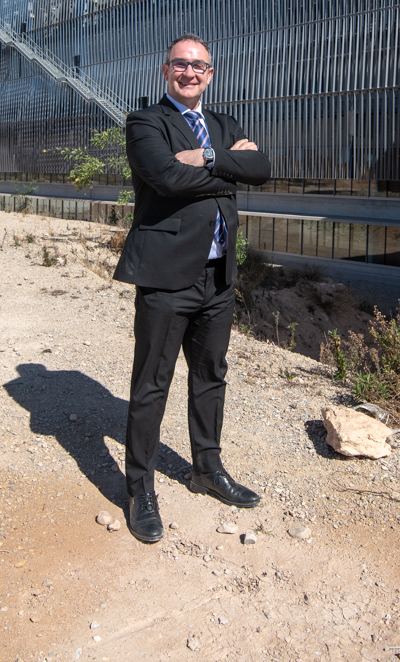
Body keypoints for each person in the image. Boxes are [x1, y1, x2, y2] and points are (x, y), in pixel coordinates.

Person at [112, 34, 272, 543]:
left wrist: (203, 157)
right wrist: (229, 166)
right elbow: (164, 178)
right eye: (181, 64)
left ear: (210, 72)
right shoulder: (145, 122)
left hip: (218, 275)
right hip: (165, 275)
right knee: (151, 383)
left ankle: (207, 469)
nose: (190, 72)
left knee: (210, 377)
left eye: (199, 65)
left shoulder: (222, 125)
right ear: (165, 70)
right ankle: (139, 485)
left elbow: (262, 170)